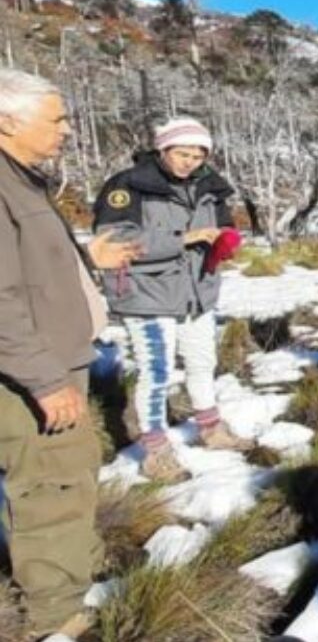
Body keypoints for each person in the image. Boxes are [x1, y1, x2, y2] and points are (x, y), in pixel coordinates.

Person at [0, 68, 140, 639]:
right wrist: (43, 378)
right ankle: (58, 617)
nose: (66, 129)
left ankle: (72, 572)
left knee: (69, 473)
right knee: (52, 485)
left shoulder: (20, 181)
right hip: (38, 369)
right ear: (8, 121)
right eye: (55, 118)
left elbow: (26, 270)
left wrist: (87, 262)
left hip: (54, 359)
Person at [94, 117, 251, 483]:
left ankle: (211, 428)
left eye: (198, 155)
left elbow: (224, 224)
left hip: (197, 290)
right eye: (182, 153)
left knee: (202, 362)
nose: (190, 162)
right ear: (162, 149)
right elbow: (114, 243)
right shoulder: (127, 186)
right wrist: (186, 237)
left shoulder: (210, 186)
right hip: (146, 292)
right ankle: (156, 451)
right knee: (158, 371)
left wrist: (225, 239)